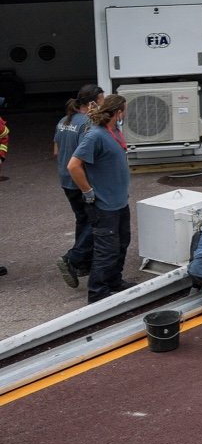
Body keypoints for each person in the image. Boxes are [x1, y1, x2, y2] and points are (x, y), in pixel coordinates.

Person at [67, 94, 135, 303]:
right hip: (104, 206)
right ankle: (97, 293)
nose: (125, 114)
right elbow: (73, 166)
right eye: (124, 110)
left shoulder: (114, 131)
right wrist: (88, 192)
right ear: (118, 113)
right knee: (106, 250)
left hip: (119, 202)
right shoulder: (95, 136)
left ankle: (114, 281)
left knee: (122, 243)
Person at [53, 83, 101, 288]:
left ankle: (83, 263)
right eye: (102, 100)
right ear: (92, 103)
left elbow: (56, 151)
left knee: (82, 219)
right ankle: (72, 258)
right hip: (81, 180)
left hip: (66, 179)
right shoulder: (88, 123)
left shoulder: (64, 121)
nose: (103, 104)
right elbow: (86, 155)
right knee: (96, 220)